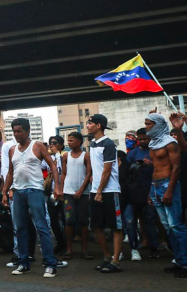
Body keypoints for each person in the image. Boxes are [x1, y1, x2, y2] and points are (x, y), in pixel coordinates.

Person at [2, 117, 61, 278]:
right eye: (14, 131)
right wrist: (5, 192)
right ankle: (23, 263)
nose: (16, 134)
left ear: (27, 131)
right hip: (18, 192)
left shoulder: (37, 146)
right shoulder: (12, 150)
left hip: (35, 191)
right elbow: (10, 173)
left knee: (41, 227)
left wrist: (57, 186)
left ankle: (50, 264)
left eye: (19, 131)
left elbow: (52, 165)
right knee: (20, 229)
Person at [145, 112, 187, 277]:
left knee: (176, 225)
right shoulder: (154, 144)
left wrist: (169, 189)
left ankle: (185, 263)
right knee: (167, 226)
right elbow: (155, 168)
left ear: (158, 125)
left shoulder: (170, 143)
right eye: (146, 123)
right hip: (155, 187)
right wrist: (151, 191)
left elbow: (176, 167)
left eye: (149, 124)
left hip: (168, 185)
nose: (147, 127)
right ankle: (179, 261)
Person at [84, 114, 124, 273]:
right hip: (96, 190)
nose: (87, 126)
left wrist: (99, 191)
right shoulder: (93, 143)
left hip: (109, 191)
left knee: (115, 226)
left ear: (98, 125)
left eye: (90, 123)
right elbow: (98, 168)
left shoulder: (108, 144)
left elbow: (107, 171)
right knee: (96, 225)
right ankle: (107, 256)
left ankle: (116, 261)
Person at [124, 128, 161, 259]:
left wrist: (151, 163)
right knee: (133, 221)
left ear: (149, 138)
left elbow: (163, 166)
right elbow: (127, 172)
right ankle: (137, 245)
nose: (142, 141)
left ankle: (155, 247)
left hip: (151, 190)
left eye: (144, 139)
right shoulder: (132, 154)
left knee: (151, 220)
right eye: (140, 139)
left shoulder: (155, 151)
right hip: (135, 192)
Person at [60, 131, 93, 260]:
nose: (69, 142)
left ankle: (85, 250)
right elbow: (63, 173)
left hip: (83, 193)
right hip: (68, 193)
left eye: (72, 140)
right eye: (68, 140)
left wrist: (81, 190)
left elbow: (88, 174)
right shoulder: (65, 156)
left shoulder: (86, 156)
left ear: (79, 141)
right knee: (69, 221)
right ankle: (69, 250)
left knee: (84, 221)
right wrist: (62, 189)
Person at [46, 136, 67, 257]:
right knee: (53, 220)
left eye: (54, 143)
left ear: (60, 145)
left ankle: (67, 245)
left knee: (65, 219)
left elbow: (61, 170)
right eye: (50, 143)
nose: (51, 145)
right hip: (52, 192)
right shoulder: (50, 157)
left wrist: (57, 154)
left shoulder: (64, 155)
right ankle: (60, 242)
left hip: (64, 191)